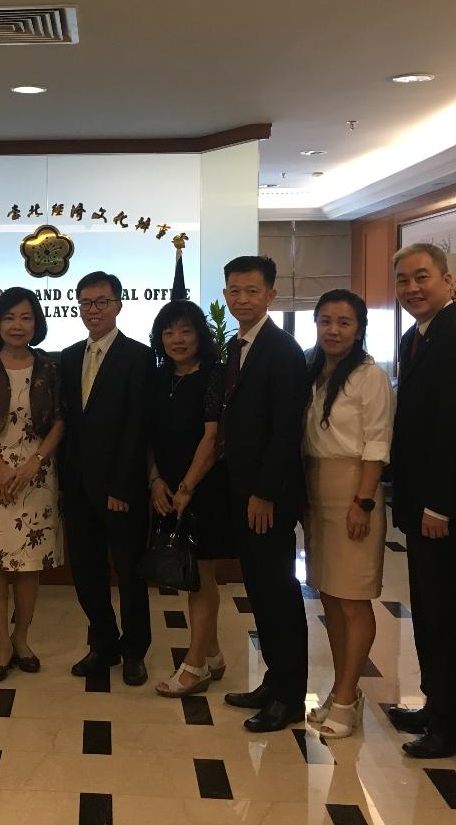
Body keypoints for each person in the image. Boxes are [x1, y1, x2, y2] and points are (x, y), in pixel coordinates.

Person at [388, 242, 456, 758]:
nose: (412, 289)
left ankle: (454, 725)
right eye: (403, 280)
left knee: (447, 616)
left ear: (448, 282)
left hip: (442, 510)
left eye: (422, 277)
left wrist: (440, 505)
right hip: (418, 502)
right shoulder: (417, 338)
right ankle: (435, 705)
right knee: (427, 612)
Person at [219, 255, 310, 733]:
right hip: (244, 489)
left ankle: (290, 697)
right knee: (259, 589)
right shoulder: (239, 346)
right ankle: (274, 681)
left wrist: (265, 493)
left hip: (266, 497)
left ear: (271, 295)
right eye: (234, 290)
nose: (242, 299)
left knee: (277, 591)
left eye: (252, 291)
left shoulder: (281, 350)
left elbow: (285, 430)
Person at [301, 289, 393, 737]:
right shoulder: (313, 370)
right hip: (317, 487)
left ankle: (345, 696)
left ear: (359, 329)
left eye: (344, 322)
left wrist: (364, 501)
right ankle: (343, 690)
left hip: (354, 489)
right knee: (331, 597)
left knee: (354, 599)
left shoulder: (370, 376)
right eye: (325, 321)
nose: (333, 330)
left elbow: (377, 444)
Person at [0, 287, 65, 682]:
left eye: (25, 317)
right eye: (9, 318)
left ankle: (22, 640)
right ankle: (1, 645)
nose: (17, 325)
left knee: (28, 565)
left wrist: (33, 463)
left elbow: (60, 421)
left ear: (36, 323)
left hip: (37, 476)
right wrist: (1, 467)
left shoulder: (50, 367)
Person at [59, 271, 153, 686]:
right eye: (86, 303)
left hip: (120, 490)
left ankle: (135, 651)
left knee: (130, 573)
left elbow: (138, 424)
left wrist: (122, 486)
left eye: (102, 301)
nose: (93, 310)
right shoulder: (68, 356)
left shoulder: (139, 356)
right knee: (87, 571)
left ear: (118, 304)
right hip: (77, 487)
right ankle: (103, 643)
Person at [146, 298, 233, 697]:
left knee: (200, 577)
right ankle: (212, 655)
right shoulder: (159, 376)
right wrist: (156, 480)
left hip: (206, 491)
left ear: (200, 334)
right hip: (168, 488)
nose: (176, 339)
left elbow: (212, 438)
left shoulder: (214, 375)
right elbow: (148, 436)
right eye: (168, 331)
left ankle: (195, 665)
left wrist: (186, 488)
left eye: (185, 330)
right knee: (194, 575)